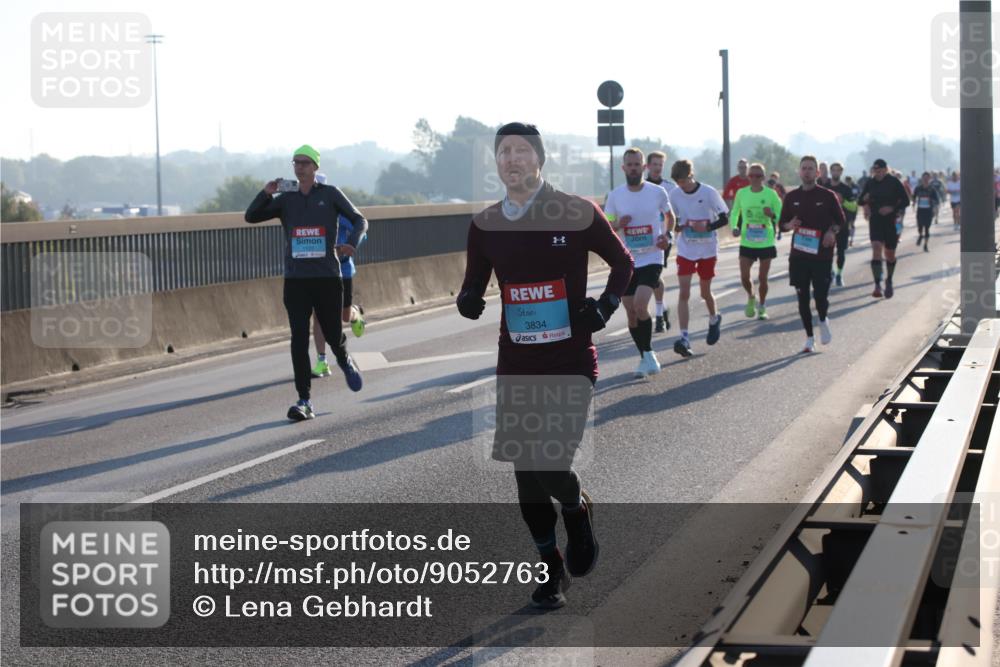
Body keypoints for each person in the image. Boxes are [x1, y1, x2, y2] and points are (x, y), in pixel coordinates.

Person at [456, 122, 632, 609]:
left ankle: (576, 511)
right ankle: (550, 567)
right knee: (525, 472)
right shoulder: (485, 224)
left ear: (539, 159)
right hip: (516, 363)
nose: (511, 159)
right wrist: (468, 299)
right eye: (503, 152)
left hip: (570, 359)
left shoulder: (576, 212)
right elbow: (473, 284)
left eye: (520, 151)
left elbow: (623, 264)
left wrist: (605, 306)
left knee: (548, 461)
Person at [245, 144, 366, 421]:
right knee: (299, 339)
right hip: (296, 280)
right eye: (296, 163)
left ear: (315, 167)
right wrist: (266, 193)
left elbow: (360, 220)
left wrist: (351, 243)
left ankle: (344, 359)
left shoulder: (330, 194)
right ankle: (304, 400)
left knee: (334, 336)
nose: (300, 167)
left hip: (326, 277)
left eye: (305, 163)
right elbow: (251, 216)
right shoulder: (286, 199)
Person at [605, 148, 674, 377]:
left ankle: (649, 356)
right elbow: (608, 227)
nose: (633, 168)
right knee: (631, 313)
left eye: (637, 164)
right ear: (623, 168)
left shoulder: (657, 192)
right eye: (630, 165)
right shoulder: (615, 196)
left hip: (652, 256)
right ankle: (645, 355)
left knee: (640, 305)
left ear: (643, 167)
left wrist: (667, 235)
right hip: (627, 260)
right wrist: (618, 225)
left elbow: (670, 216)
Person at [778, 155, 845, 353]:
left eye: (810, 168)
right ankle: (809, 338)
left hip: (822, 255)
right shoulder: (791, 197)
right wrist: (789, 225)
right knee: (802, 297)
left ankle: (823, 318)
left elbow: (840, 222)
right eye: (804, 168)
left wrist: (831, 232)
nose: (806, 171)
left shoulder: (827, 196)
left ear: (817, 173)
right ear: (799, 172)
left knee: (821, 297)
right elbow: (781, 224)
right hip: (799, 255)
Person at [669, 159, 729, 357]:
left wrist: (708, 227)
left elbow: (724, 217)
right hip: (686, 248)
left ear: (691, 175)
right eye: (678, 182)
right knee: (684, 293)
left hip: (707, 249)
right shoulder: (675, 194)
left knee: (705, 292)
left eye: (684, 181)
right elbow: (672, 218)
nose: (682, 186)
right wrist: (677, 226)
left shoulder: (708, 192)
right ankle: (685, 338)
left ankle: (714, 318)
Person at [311, 213, 367, 377]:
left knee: (344, 316)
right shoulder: (306, 213)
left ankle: (355, 313)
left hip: (343, 271)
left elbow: (363, 233)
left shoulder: (340, 213)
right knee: (318, 316)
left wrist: (347, 245)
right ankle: (322, 361)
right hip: (318, 272)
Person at [729, 162, 782, 319]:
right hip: (747, 240)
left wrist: (771, 214)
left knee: (762, 278)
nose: (754, 179)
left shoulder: (771, 195)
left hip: (766, 240)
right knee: (744, 277)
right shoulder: (741, 193)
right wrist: (734, 227)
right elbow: (735, 212)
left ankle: (763, 306)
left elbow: (781, 215)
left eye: (758, 176)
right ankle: (752, 297)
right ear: (748, 177)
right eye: (751, 175)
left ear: (764, 178)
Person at [858, 159, 909, 299]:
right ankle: (877, 285)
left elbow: (906, 201)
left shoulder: (894, 182)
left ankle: (889, 280)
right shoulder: (870, 182)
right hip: (875, 220)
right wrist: (864, 200)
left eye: (880, 170)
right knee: (876, 248)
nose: (877, 173)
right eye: (875, 170)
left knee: (890, 254)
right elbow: (860, 200)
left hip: (890, 221)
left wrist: (891, 208)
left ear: (886, 169)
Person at [645, 150, 677, 333]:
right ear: (647, 166)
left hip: (662, 238)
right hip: (641, 238)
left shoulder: (670, 187)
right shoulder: (640, 186)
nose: (657, 168)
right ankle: (663, 308)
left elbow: (675, 211)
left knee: (655, 276)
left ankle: (658, 315)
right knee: (648, 278)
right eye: (654, 164)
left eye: (660, 165)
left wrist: (671, 231)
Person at [827, 163, 858, 286]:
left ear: (841, 172)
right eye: (833, 170)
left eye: (838, 170)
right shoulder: (825, 187)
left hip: (842, 225)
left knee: (840, 252)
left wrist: (843, 201)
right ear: (831, 172)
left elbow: (854, 207)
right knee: (827, 252)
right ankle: (831, 272)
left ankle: (839, 273)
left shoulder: (846, 189)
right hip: (828, 226)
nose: (835, 172)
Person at [912, 172, 941, 252]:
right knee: (920, 227)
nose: (925, 180)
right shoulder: (918, 188)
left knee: (927, 228)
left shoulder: (932, 189)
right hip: (920, 210)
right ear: (922, 178)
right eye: (924, 178)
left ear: (929, 179)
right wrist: (913, 203)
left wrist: (934, 206)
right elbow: (914, 197)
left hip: (928, 211)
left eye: (927, 178)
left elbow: (937, 200)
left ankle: (925, 245)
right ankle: (920, 235)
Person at [767, 171, 787, 241]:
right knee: (772, 220)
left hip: (778, 205)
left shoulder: (780, 186)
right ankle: (773, 233)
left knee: (778, 220)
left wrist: (781, 200)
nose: (773, 179)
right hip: (770, 206)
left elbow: (784, 195)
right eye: (772, 178)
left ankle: (779, 232)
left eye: (775, 178)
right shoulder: (768, 185)